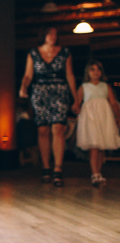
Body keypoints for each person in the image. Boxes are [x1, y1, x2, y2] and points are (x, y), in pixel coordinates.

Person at [19, 27, 77, 187]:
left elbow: (70, 75)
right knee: (42, 130)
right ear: (43, 35)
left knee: (58, 128)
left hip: (59, 91)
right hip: (39, 92)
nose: (53, 36)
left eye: (56, 33)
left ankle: (58, 169)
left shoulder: (65, 52)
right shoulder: (33, 53)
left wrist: (75, 98)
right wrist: (23, 87)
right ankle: (46, 168)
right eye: (50, 33)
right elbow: (28, 75)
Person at [72, 60, 120, 186]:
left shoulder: (105, 86)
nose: (96, 72)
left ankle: (99, 172)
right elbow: (76, 103)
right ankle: (95, 174)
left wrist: (118, 115)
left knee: (101, 147)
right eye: (92, 69)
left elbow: (113, 102)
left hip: (104, 117)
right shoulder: (84, 87)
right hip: (90, 118)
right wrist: (76, 108)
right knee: (94, 146)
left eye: (98, 69)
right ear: (88, 72)